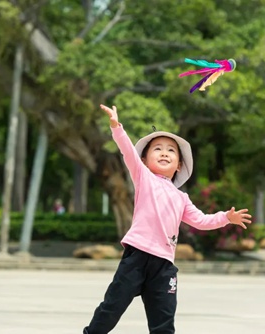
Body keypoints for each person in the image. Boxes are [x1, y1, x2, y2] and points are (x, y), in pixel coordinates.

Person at [83, 104, 252, 334]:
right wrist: (116, 127)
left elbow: (202, 220)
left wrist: (226, 217)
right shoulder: (144, 177)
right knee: (111, 308)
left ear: (179, 164)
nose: (164, 153)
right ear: (144, 160)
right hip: (137, 258)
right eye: (158, 149)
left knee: (163, 322)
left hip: (163, 266)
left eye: (171, 151)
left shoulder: (182, 197)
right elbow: (128, 152)